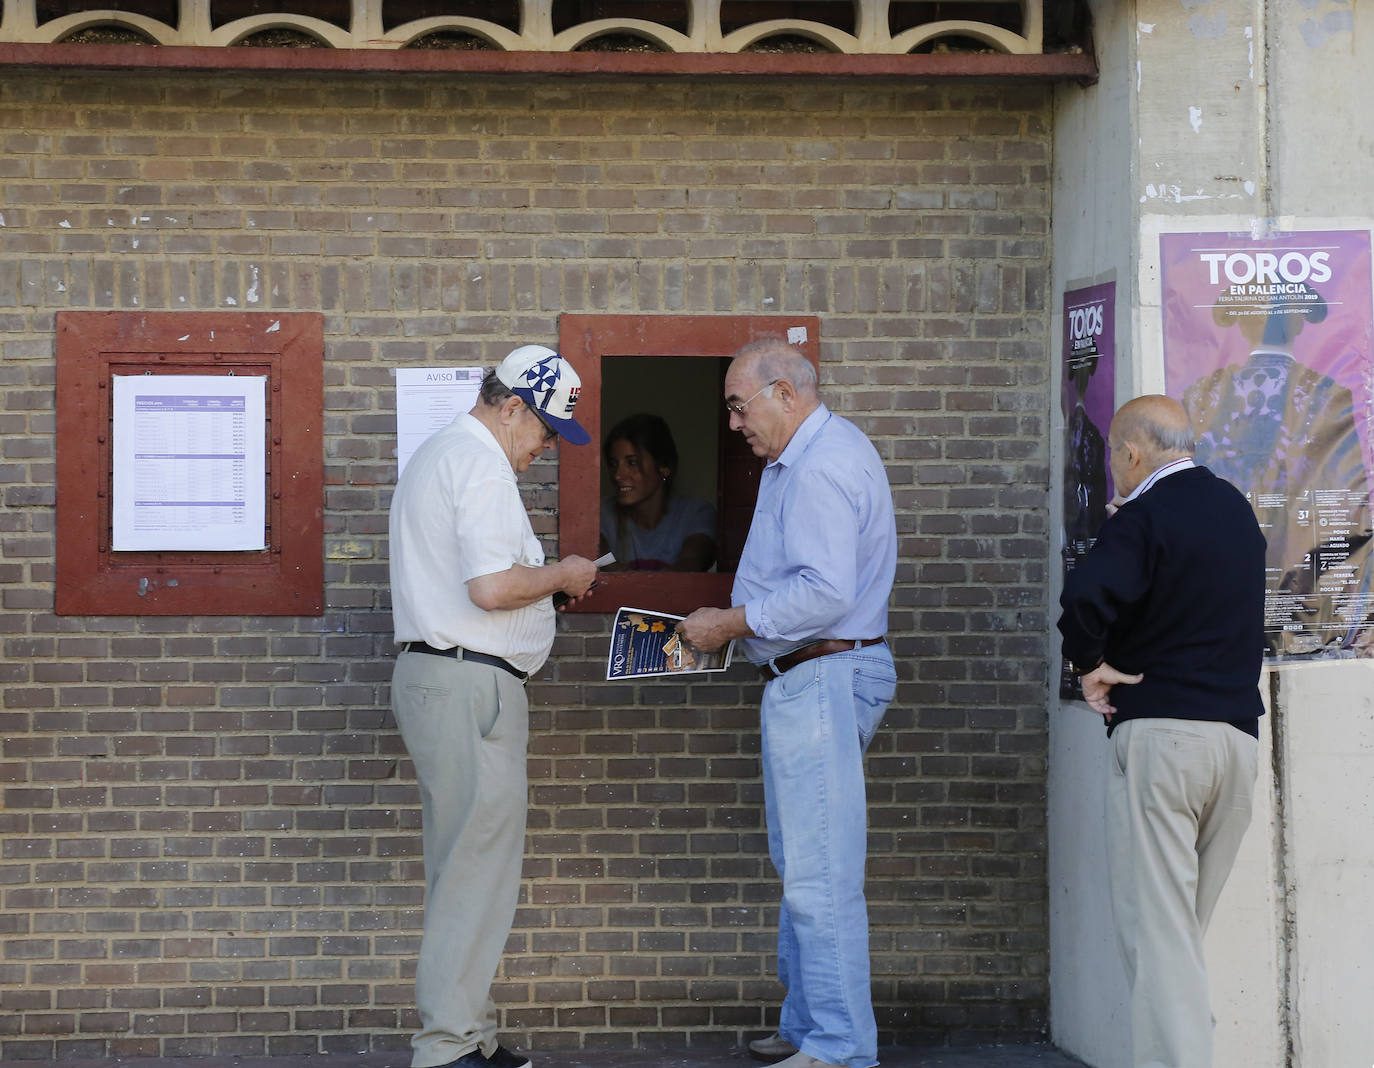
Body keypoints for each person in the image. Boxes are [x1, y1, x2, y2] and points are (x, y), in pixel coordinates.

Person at [677, 339, 897, 1068]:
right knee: (804, 859)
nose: (735, 422)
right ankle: (806, 1025)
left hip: (822, 674)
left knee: (819, 870)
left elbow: (825, 591)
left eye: (740, 406)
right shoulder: (803, 458)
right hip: (812, 675)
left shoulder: (821, 467)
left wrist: (729, 624)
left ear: (786, 393)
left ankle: (837, 1047)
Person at [388, 344, 600, 1068]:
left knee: (464, 866)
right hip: (469, 681)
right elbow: (488, 587)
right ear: (513, 408)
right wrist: (563, 573)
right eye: (545, 433)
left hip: (449, 678)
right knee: (476, 871)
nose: (545, 451)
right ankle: (447, 1048)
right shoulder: (477, 461)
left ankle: (466, 1034)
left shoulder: (442, 453)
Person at [1057, 394, 1266, 1068]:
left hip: (1165, 744)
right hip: (1236, 748)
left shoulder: (1143, 518)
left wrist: (1092, 665)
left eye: (1116, 456)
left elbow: (1082, 599)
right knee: (1175, 943)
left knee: (1159, 940)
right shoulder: (1237, 511)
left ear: (1132, 453)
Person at [598, 412, 718, 571]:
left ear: (664, 467)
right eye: (614, 464)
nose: (618, 475)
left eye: (632, 463)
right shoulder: (602, 515)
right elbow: (605, 571)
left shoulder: (695, 514)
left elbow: (689, 569)